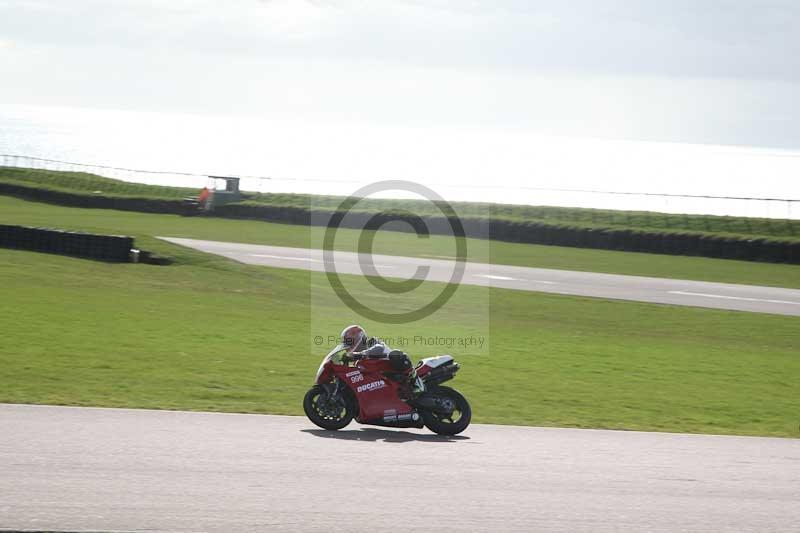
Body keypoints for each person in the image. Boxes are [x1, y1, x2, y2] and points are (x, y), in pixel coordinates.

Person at [340, 324, 424, 395]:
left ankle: (415, 381)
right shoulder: (357, 360)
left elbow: (379, 348)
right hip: (381, 382)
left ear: (359, 338)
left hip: (394, 370)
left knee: (396, 354)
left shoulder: (372, 342)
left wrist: (360, 354)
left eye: (349, 342)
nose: (347, 345)